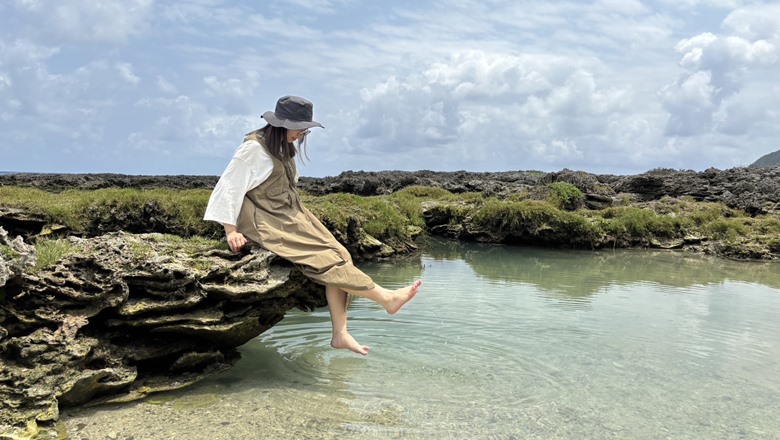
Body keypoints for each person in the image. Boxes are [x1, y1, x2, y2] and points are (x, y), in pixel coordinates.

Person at [204, 95, 422, 355]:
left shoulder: (283, 147)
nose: (302, 133)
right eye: (299, 128)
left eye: (305, 129)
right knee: (324, 260)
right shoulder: (253, 149)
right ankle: (386, 298)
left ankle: (340, 334)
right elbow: (228, 187)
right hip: (264, 219)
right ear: (281, 124)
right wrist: (231, 230)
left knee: (342, 255)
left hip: (290, 214)